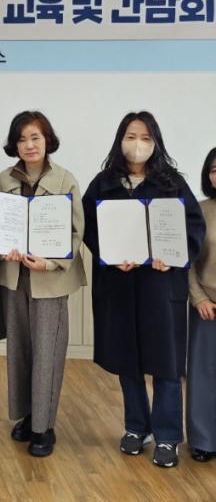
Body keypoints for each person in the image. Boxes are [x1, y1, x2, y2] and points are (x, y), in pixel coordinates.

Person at [82, 111, 205, 468]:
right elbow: (87, 225)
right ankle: (137, 427)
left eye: (146, 138)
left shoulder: (172, 183)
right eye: (131, 136)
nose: (138, 144)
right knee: (127, 359)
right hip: (119, 286)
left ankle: (168, 436)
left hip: (160, 287)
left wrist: (175, 257)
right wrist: (109, 254)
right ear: (120, 140)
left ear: (156, 143)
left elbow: (194, 228)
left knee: (166, 363)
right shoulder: (104, 183)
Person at [0, 111, 86, 457]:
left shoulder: (65, 179)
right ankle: (28, 415)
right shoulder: (4, 179)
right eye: (21, 139)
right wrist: (3, 248)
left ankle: (44, 427)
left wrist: (51, 262)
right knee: (19, 351)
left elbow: (76, 232)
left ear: (47, 140)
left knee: (47, 352)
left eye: (35, 137)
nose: (29, 145)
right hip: (15, 276)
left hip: (50, 279)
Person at [187, 147, 216, 463]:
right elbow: (189, 260)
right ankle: (203, 440)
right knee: (203, 375)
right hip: (206, 305)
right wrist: (199, 298)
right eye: (214, 170)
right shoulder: (199, 210)